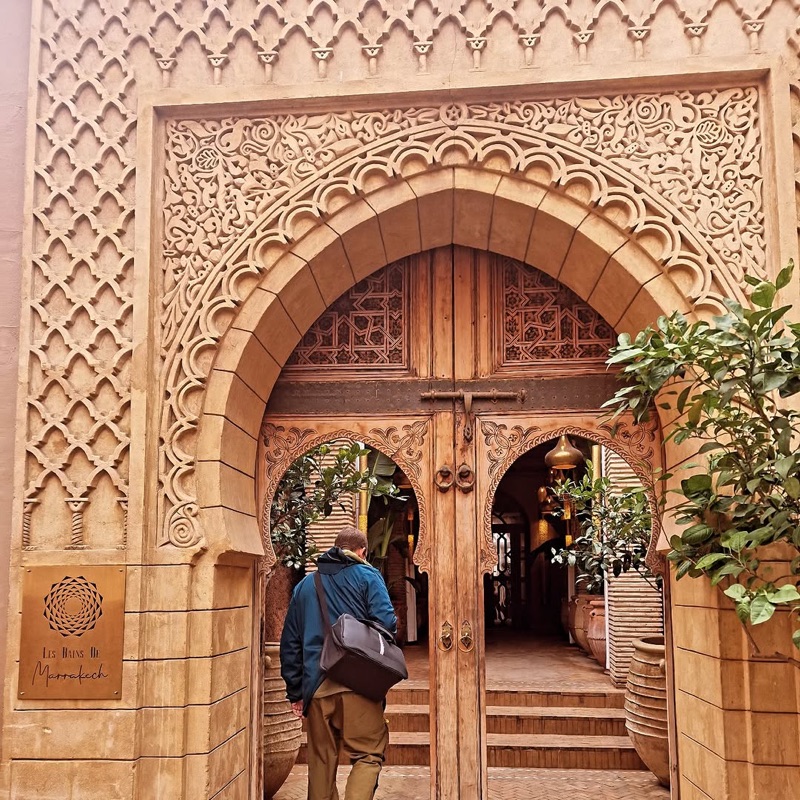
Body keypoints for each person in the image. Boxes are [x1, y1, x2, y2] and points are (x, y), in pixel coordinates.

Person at [280, 525, 397, 800]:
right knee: (368, 753)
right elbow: (387, 623)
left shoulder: (305, 586)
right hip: (359, 684)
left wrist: (296, 693)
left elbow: (290, 644)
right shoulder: (368, 576)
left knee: (320, 764)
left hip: (317, 689)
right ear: (362, 552)